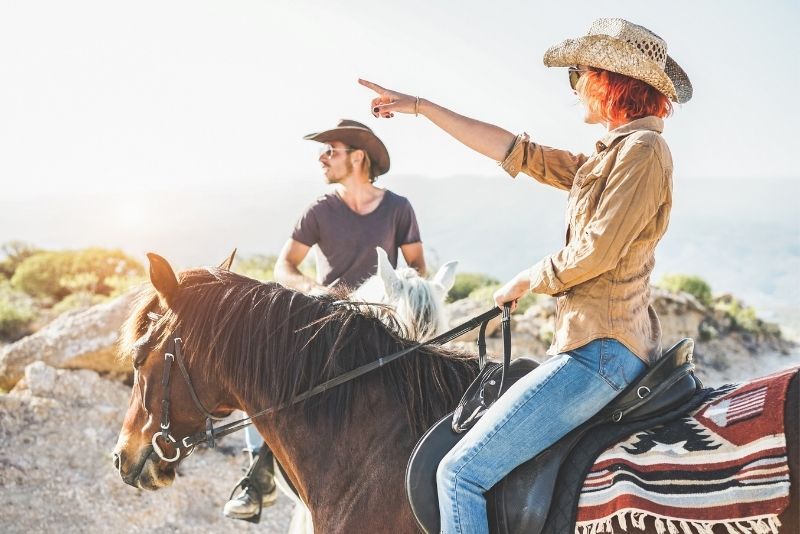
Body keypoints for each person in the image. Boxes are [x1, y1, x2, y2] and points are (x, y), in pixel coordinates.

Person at [360, 17, 691, 533]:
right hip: (593, 347)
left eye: (580, 73)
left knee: (459, 474)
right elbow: (515, 152)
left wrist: (527, 278)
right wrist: (421, 108)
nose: (575, 86)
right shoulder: (608, 158)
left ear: (611, 82)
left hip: (601, 351)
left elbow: (597, 251)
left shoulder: (644, 153)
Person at [223, 119, 426, 521]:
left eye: (331, 150)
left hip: (384, 326)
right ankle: (257, 479)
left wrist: (401, 291)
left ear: (358, 157)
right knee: (262, 377)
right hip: (328, 326)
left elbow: (418, 266)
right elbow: (286, 265)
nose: (322, 157)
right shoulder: (319, 209)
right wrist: (315, 292)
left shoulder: (398, 208)